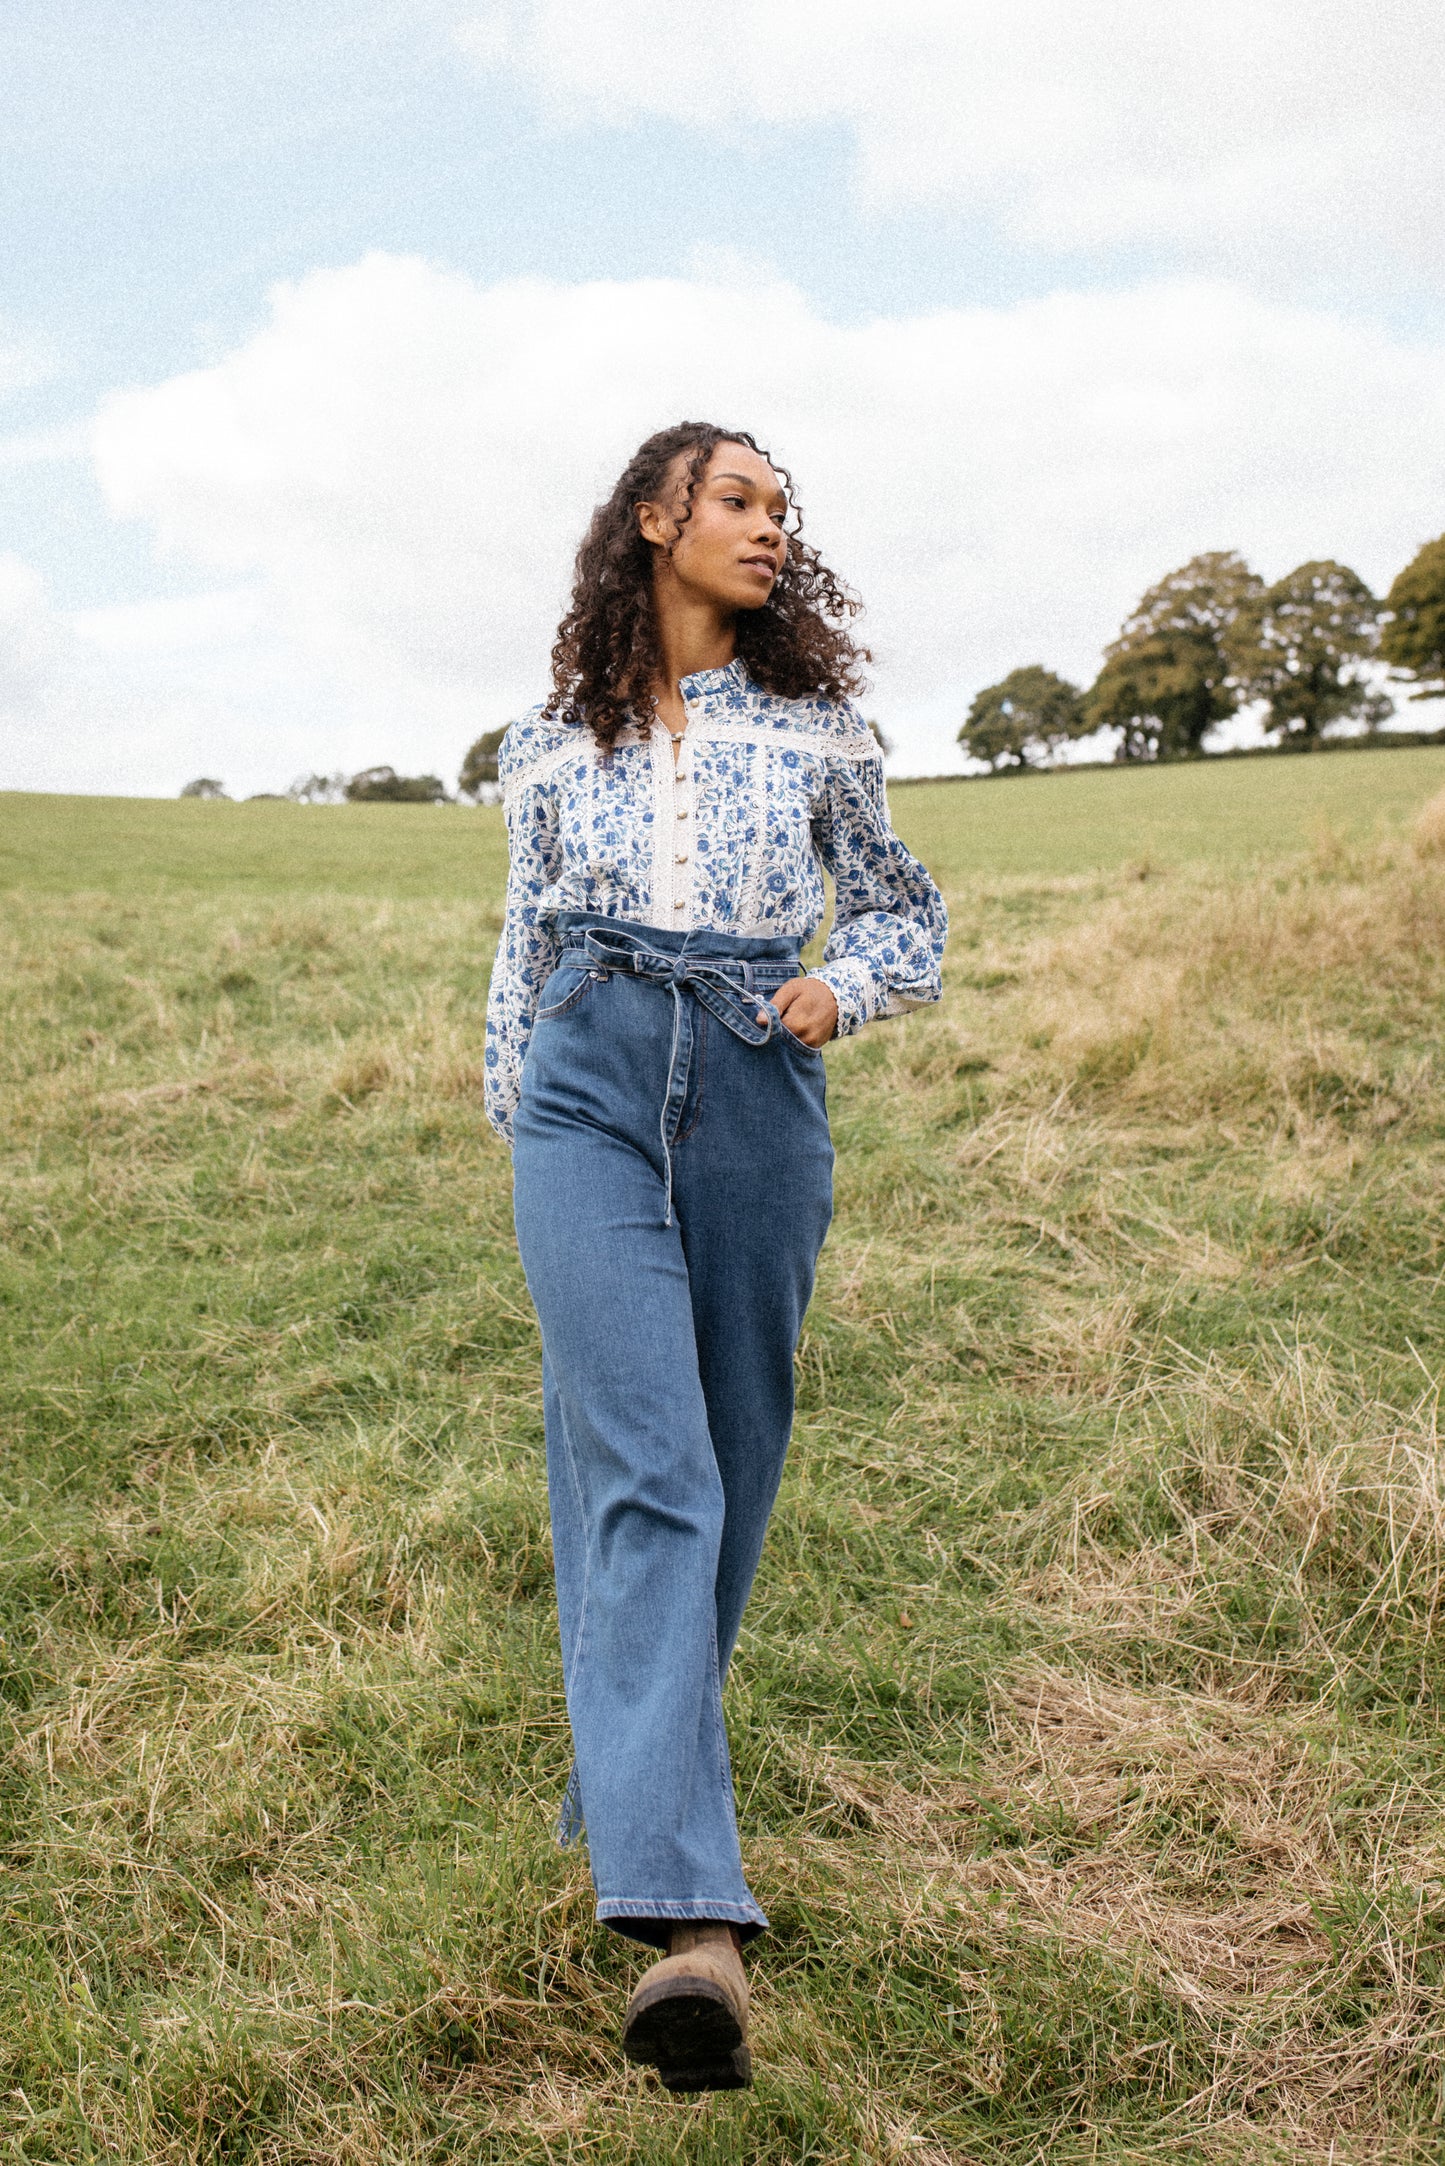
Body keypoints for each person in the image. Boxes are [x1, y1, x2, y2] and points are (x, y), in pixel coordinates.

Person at [484, 421, 946, 2091]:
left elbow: (903, 907)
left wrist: (853, 987)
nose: (766, 527)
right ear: (655, 517)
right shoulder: (546, 745)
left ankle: (620, 1774)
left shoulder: (822, 727)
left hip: (756, 1078)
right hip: (586, 1081)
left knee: (732, 1460)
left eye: (778, 509)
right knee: (653, 1468)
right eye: (736, 500)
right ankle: (690, 1927)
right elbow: (518, 950)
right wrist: (519, 1136)